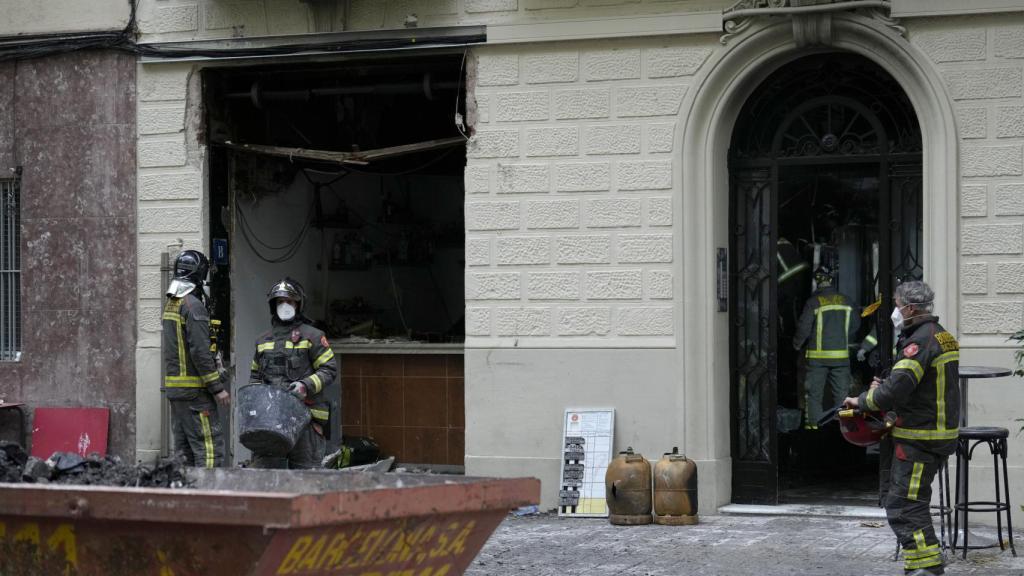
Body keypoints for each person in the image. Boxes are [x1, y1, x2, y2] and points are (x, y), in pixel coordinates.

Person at [844, 281, 959, 576]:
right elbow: (915, 384)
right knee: (908, 501)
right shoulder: (940, 335)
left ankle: (926, 568)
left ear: (909, 307)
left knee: (905, 505)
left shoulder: (919, 341)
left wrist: (861, 400)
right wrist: (888, 384)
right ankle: (923, 565)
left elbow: (894, 393)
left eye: (897, 304)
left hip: (921, 438)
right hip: (931, 433)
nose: (895, 310)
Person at [249, 277, 337, 469]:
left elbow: (329, 370)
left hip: (305, 419)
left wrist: (305, 385)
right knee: (266, 476)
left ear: (299, 305)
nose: (285, 305)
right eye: (280, 302)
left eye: (290, 301)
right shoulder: (262, 341)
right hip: (270, 423)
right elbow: (255, 378)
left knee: (306, 477)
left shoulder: (313, 336)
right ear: (274, 306)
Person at [162, 250, 230, 468]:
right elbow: (200, 352)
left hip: (177, 394)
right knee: (209, 450)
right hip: (195, 395)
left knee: (185, 455)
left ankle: (186, 496)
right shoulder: (193, 306)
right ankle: (208, 497)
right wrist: (217, 388)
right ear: (200, 274)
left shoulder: (173, 303)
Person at [793, 265, 860, 429]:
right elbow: (855, 325)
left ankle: (815, 431)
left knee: (814, 396)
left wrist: (796, 345)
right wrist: (841, 337)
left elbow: (804, 328)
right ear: (831, 280)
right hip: (841, 357)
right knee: (842, 396)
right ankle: (841, 432)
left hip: (817, 359)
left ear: (817, 281)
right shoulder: (846, 300)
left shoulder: (813, 302)